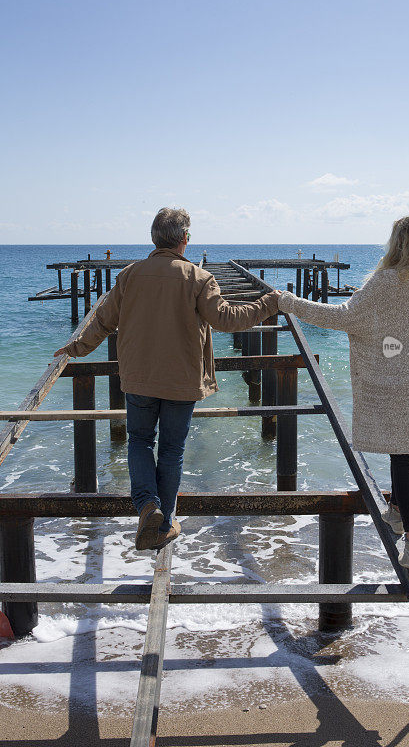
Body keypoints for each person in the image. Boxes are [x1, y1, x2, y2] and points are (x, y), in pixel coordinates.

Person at [54, 208, 280, 551]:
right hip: (181, 379)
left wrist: (76, 348)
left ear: (154, 238)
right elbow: (227, 319)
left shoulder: (130, 275)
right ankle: (164, 523)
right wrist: (269, 303)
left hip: (138, 377)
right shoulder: (198, 278)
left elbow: (102, 321)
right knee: (171, 450)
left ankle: (147, 506)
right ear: (185, 240)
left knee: (140, 441)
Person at [278, 215, 409, 571]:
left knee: (402, 457)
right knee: (405, 454)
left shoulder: (385, 282)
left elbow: (340, 317)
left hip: (393, 388)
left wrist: (290, 303)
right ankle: (398, 513)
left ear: (397, 243)